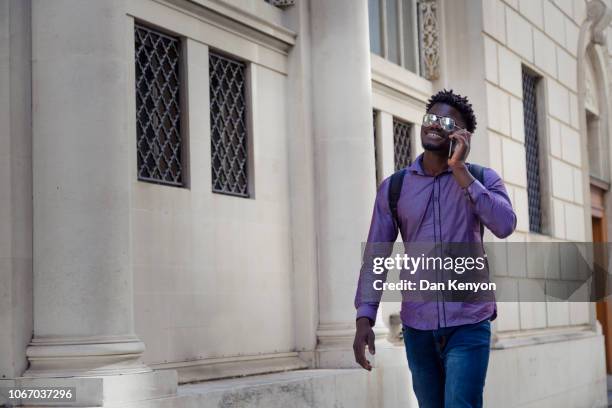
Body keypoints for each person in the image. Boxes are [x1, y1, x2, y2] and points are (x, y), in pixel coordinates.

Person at [353, 89, 517, 408]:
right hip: (418, 328)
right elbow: (376, 255)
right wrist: (365, 317)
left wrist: (461, 171)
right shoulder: (395, 187)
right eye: (431, 118)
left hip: (468, 322)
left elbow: (505, 224)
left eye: (446, 122)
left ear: (462, 135)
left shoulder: (482, 178)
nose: (435, 125)